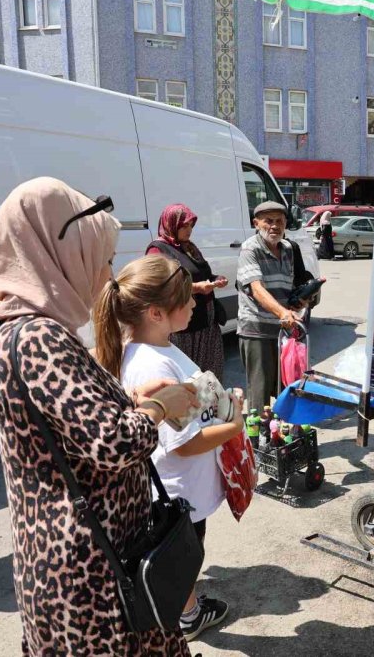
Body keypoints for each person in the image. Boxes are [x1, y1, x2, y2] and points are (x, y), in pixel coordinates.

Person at [0, 177, 198, 655]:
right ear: (59, 251)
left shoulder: (19, 329)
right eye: (101, 259)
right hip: (92, 577)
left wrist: (129, 398)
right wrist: (161, 406)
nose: (106, 277)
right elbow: (114, 444)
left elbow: (72, 426)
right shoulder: (39, 337)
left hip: (83, 563)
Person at [96, 254, 246, 641]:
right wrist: (234, 426)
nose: (195, 302)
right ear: (156, 313)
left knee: (183, 555)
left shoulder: (158, 347)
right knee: (182, 556)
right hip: (178, 492)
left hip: (180, 488)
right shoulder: (153, 366)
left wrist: (221, 402)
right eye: (186, 299)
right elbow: (185, 444)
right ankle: (186, 617)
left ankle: (186, 611)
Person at [147, 204, 229, 379]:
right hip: (183, 330)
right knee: (187, 380)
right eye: (184, 225)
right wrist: (197, 288)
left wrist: (215, 279)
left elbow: (202, 273)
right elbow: (159, 285)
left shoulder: (189, 247)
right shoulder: (158, 249)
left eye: (191, 225)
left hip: (206, 326)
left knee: (209, 381)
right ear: (171, 224)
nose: (189, 230)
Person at [237, 201, 303, 409]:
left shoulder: (287, 249)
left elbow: (287, 287)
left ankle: (280, 435)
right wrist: (282, 312)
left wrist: (299, 300)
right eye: (268, 221)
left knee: (286, 384)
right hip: (257, 330)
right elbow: (257, 289)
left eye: (279, 221)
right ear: (256, 223)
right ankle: (258, 439)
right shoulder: (250, 248)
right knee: (260, 391)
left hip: (282, 330)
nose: (274, 226)